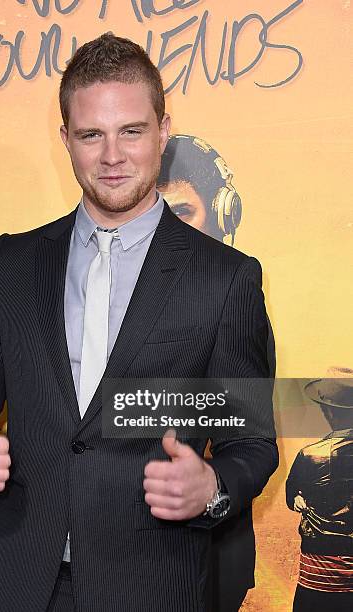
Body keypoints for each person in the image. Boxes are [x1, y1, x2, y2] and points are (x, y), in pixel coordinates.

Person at [0, 33, 278, 612]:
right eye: (92, 134)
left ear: (163, 129)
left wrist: (213, 487)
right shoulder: (13, 263)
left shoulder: (227, 277)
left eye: (131, 131)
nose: (112, 156)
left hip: (152, 591)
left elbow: (253, 442)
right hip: (19, 585)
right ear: (66, 139)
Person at [159, 134, 275, 611]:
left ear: (224, 213)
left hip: (204, 555)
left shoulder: (236, 299)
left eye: (184, 212)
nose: (171, 230)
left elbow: (244, 440)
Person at [286, 367, 353, 612]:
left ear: (328, 411)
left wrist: (298, 499)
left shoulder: (309, 455)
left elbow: (291, 496)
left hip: (319, 571)